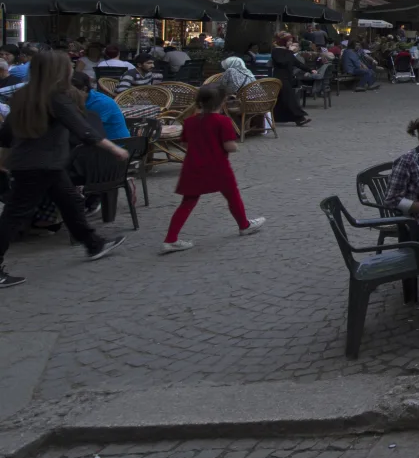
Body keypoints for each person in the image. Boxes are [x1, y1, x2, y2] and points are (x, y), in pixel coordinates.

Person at [0, 51, 129, 286]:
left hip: (34, 162)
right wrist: (114, 149)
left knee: (70, 202)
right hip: (41, 163)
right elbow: (83, 129)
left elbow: (6, 134)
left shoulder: (22, 95)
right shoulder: (56, 97)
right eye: (67, 65)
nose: (71, 67)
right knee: (14, 215)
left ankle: (93, 244)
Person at [159, 84, 265, 253]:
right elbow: (230, 146)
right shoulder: (223, 121)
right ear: (222, 103)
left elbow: (186, 143)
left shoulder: (189, 121)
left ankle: (171, 238)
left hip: (193, 165)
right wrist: (235, 147)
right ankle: (243, 224)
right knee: (232, 195)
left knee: (188, 201)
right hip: (218, 166)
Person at [267, 33, 313, 127]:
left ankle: (273, 118)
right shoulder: (276, 51)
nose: (290, 43)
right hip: (280, 78)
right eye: (289, 41)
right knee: (290, 98)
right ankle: (299, 118)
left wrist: (310, 69)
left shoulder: (287, 52)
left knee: (281, 100)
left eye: (291, 41)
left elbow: (297, 63)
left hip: (287, 78)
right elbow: (282, 62)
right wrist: (290, 52)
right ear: (283, 41)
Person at [71, 72, 130, 140]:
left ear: (84, 89)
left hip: (116, 144)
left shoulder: (100, 103)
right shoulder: (80, 99)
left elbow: (87, 130)